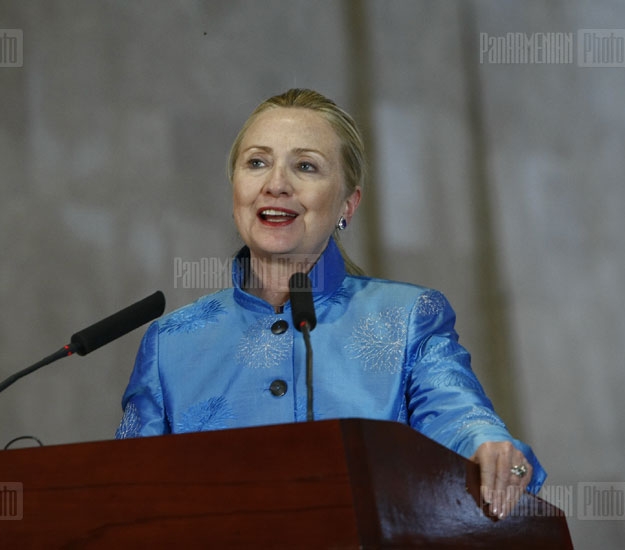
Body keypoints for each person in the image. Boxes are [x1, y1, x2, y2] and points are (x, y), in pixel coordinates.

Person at [116, 88, 545, 519]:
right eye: (257, 162)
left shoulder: (406, 318)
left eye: (305, 166)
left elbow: (458, 418)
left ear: (347, 203)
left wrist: (487, 446)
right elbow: (122, 496)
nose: (276, 184)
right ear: (235, 191)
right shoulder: (171, 343)